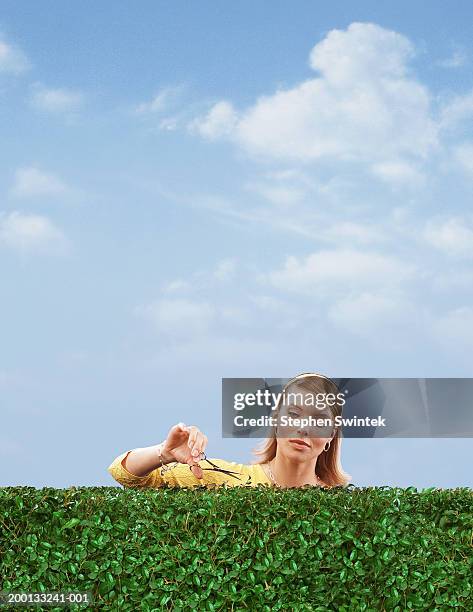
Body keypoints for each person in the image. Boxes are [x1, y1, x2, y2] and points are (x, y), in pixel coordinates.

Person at [107, 373, 352, 489]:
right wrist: (164, 452)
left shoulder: (344, 505)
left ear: (331, 434)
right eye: (294, 415)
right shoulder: (226, 479)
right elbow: (125, 474)